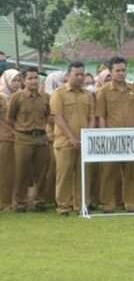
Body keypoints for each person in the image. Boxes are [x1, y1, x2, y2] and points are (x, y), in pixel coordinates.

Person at [96, 57, 134, 213]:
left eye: (123, 70)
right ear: (110, 72)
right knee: (109, 171)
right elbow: (101, 116)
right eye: (117, 70)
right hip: (112, 137)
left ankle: (131, 203)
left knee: (132, 171)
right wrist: (104, 136)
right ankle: (108, 204)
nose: (121, 73)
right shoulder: (103, 91)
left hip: (132, 137)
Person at [51, 62, 95, 215]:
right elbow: (58, 117)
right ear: (68, 76)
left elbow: (92, 117)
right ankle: (63, 206)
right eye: (76, 74)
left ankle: (80, 205)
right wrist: (72, 138)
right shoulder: (59, 93)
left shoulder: (88, 95)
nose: (80, 77)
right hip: (65, 142)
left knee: (83, 174)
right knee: (64, 175)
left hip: (84, 142)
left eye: (82, 74)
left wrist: (87, 135)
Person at [7, 67, 51, 212]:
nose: (33, 81)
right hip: (23, 138)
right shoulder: (17, 97)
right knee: (21, 172)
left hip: (41, 138)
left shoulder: (45, 97)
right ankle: (20, 202)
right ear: (24, 81)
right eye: (30, 78)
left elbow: (49, 116)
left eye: (36, 78)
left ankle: (39, 201)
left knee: (42, 171)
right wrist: (17, 132)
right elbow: (10, 118)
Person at [39, 71, 66, 209]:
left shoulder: (64, 94)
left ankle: (54, 199)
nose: (65, 81)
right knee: (51, 169)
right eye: (62, 79)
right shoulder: (48, 97)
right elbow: (49, 118)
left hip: (60, 135)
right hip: (52, 136)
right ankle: (48, 198)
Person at [0, 69, 22, 211]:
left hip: (20, 139)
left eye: (19, 80)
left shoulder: (22, 97)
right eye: (13, 80)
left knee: (18, 172)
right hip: (5, 138)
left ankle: (16, 202)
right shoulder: (1, 98)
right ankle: (4, 202)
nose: (16, 83)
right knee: (5, 172)